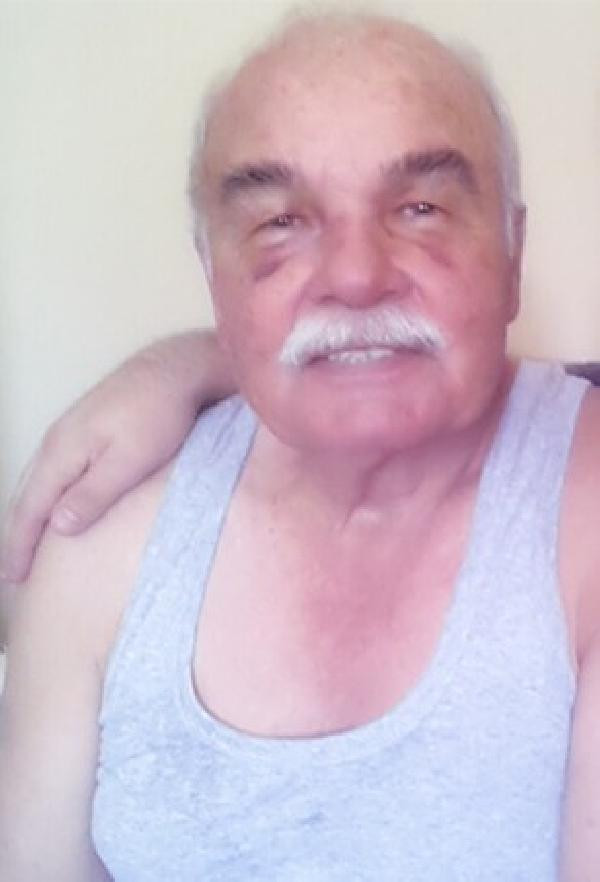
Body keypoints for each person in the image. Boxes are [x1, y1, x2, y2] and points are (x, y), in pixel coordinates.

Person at [1, 9, 600, 881]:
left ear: (512, 255)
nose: (356, 276)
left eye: (421, 209)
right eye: (280, 222)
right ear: (213, 275)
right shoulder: (101, 528)